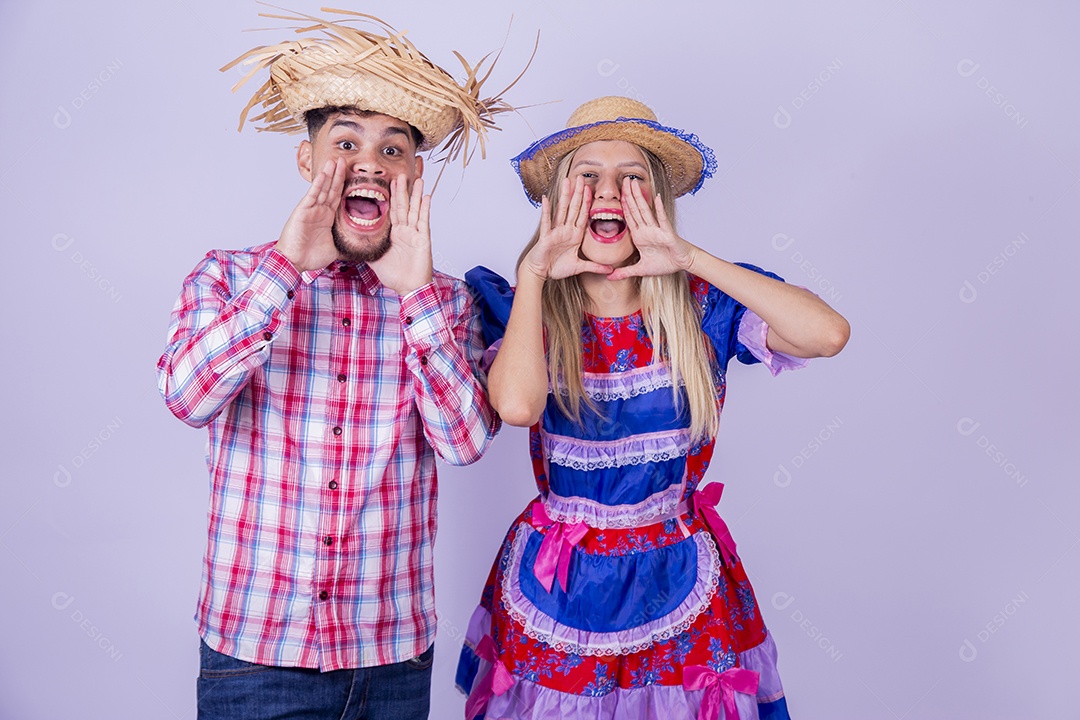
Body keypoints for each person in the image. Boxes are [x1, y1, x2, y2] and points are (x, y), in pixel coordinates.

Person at [156, 9, 520, 719]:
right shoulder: (231, 278)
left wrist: (416, 298)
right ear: (307, 160)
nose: (368, 162)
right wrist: (284, 271)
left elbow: (467, 443)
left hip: (393, 658)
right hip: (254, 655)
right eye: (345, 141)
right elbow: (184, 397)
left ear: (414, 174)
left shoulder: (444, 301)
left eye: (392, 150)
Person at [455, 96, 850, 720]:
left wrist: (691, 258)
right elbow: (519, 405)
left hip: (680, 574)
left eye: (632, 177)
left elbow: (826, 334)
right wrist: (533, 275)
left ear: (657, 201)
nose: (609, 190)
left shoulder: (703, 304)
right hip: (560, 588)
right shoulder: (516, 306)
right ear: (561, 199)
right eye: (587, 176)